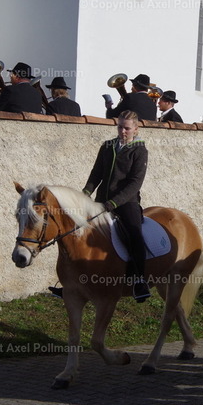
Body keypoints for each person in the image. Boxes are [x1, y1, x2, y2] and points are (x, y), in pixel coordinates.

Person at [83, 110, 151, 302]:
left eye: (127, 128)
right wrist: (86, 192)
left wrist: (114, 202)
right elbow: (96, 173)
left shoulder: (140, 151)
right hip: (101, 201)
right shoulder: (107, 146)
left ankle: (139, 280)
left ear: (136, 129)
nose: (122, 131)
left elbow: (135, 183)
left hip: (126, 202)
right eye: (120, 127)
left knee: (134, 233)